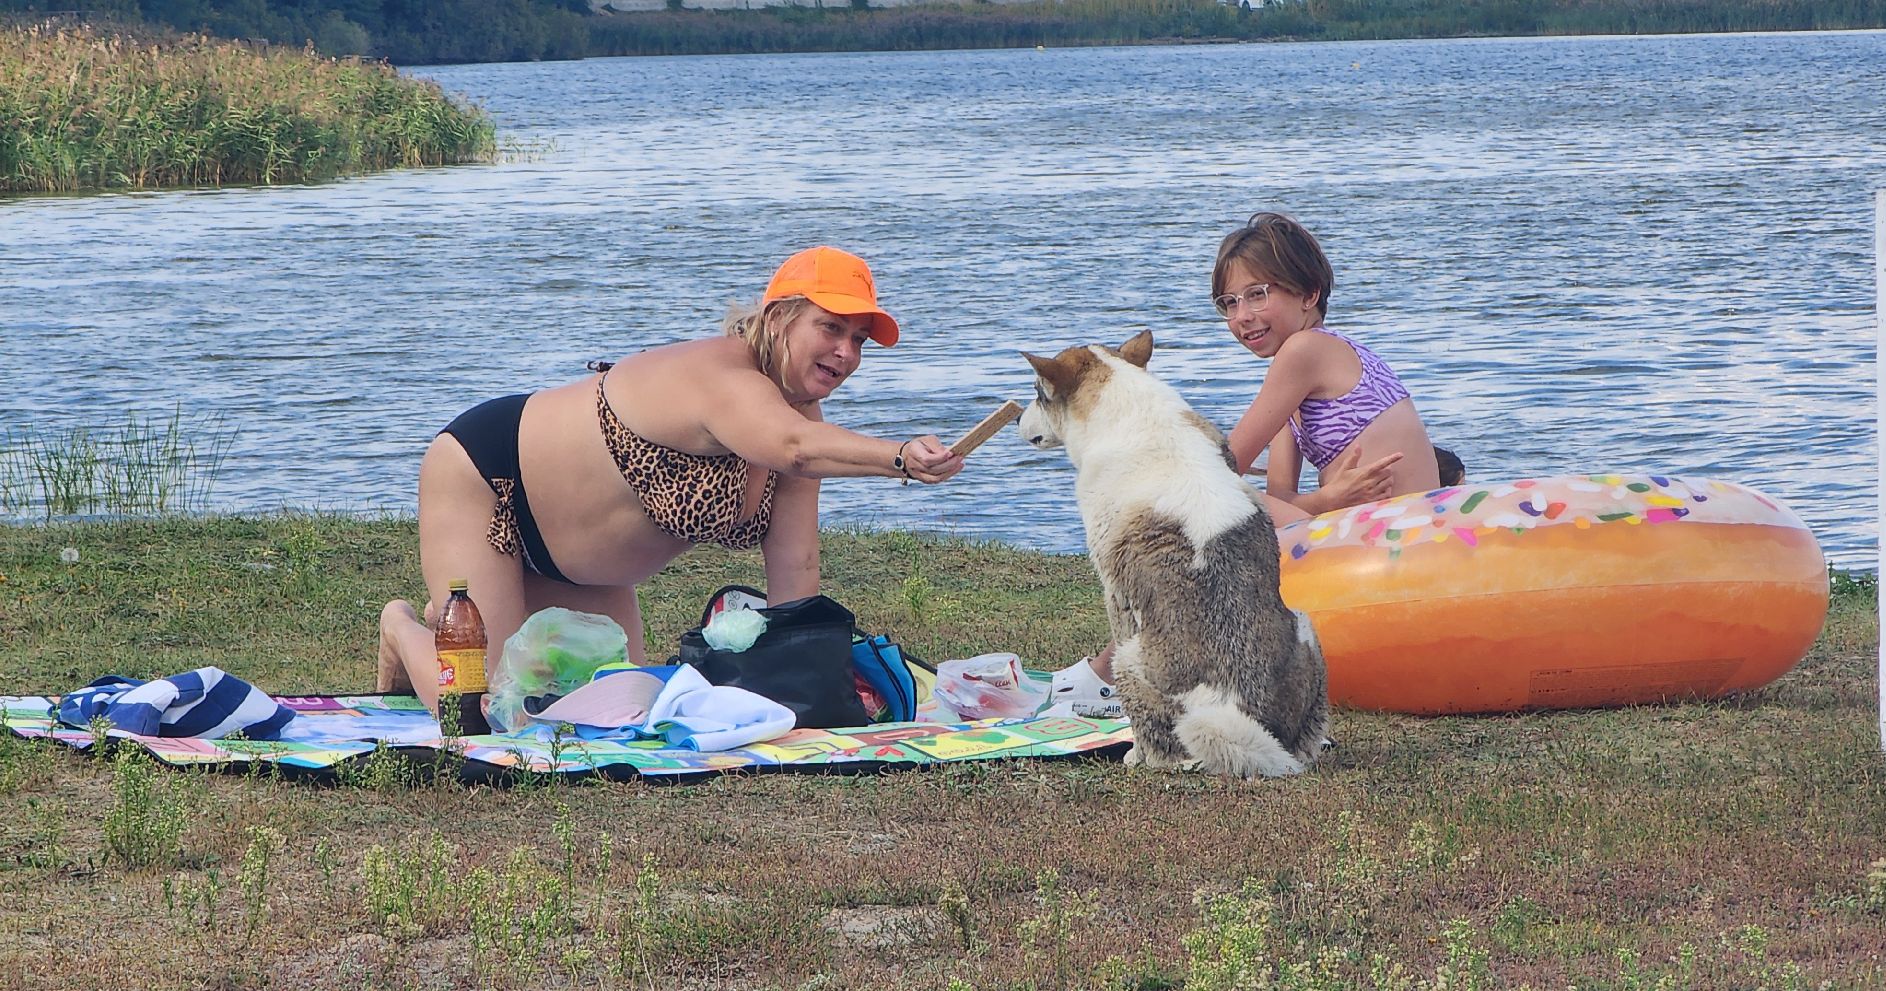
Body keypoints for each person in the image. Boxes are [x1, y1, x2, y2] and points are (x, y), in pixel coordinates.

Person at [376, 246, 963, 711]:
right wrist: (901, 456)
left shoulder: (806, 426)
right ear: (780, 317)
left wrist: (804, 686)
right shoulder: (720, 377)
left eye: (859, 339)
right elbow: (794, 449)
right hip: (491, 481)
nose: (847, 352)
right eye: (832, 327)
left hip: (586, 567)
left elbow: (796, 571)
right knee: (485, 713)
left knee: (611, 712)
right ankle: (403, 628)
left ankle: (467, 630)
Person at [1051, 212, 1440, 705]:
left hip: (1400, 545)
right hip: (1374, 532)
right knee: (1220, 511)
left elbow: (1220, 464)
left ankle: (1114, 671)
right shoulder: (1305, 371)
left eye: (1259, 294)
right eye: (1229, 303)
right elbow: (1279, 498)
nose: (1242, 316)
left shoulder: (1305, 351)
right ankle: (1125, 666)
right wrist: (1328, 498)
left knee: (1188, 512)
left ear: (1309, 293)